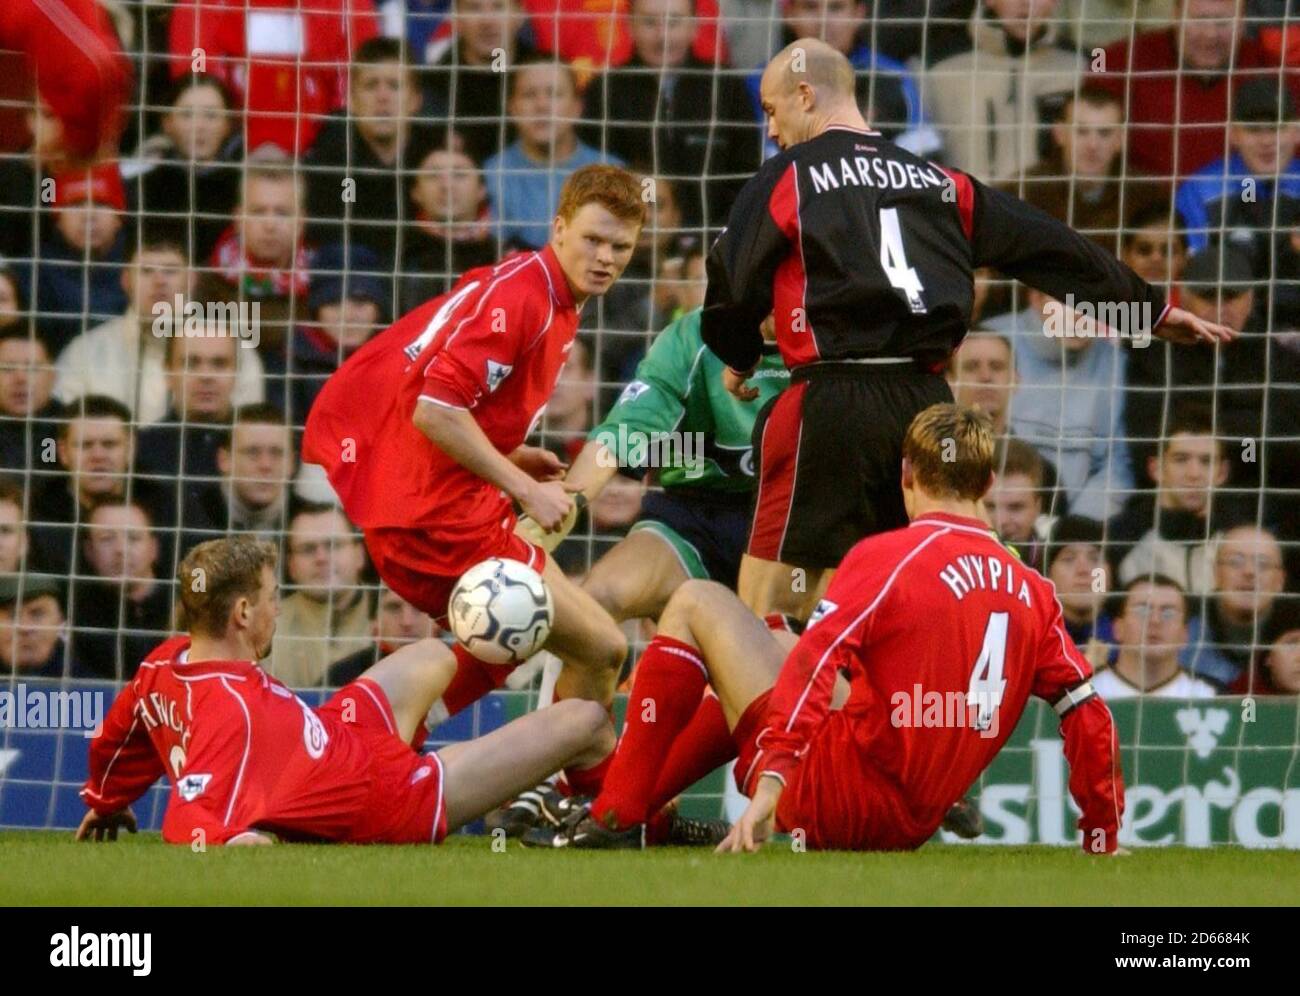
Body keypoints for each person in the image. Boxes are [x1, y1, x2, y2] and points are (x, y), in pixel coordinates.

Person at [703, 38, 1232, 622]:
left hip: (831, 403)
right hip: (929, 412)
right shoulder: (943, 183)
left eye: (773, 111)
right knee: (912, 604)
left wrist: (742, 351)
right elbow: (1049, 246)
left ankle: (774, 713)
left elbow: (729, 276)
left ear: (806, 94)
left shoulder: (789, 175)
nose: (771, 130)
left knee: (766, 610)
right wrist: (1149, 311)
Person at [534, 404, 1126, 854]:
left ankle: (617, 811)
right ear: (988, 484)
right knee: (775, 634)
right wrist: (1102, 834)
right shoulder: (1035, 591)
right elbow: (1089, 715)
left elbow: (817, 669)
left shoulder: (891, 556)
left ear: (906, 475)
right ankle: (641, 809)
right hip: (911, 822)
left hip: (832, 799)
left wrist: (769, 785)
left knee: (696, 602)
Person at [303, 165, 643, 798]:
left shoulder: (543, 291)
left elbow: (449, 396)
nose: (605, 258)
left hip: (429, 507)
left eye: (620, 247)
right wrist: (519, 481)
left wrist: (513, 450)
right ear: (560, 227)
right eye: (593, 240)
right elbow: (434, 407)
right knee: (598, 646)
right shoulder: (527, 297)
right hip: (437, 518)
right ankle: (581, 804)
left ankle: (368, 745)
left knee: (506, 636)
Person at [76, 536, 618, 847]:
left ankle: (518, 647)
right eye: (272, 596)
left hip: (341, 730)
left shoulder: (163, 662)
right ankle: (619, 822)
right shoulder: (231, 711)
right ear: (243, 614)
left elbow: (116, 738)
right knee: (588, 720)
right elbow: (191, 817)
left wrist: (106, 801)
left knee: (432, 656)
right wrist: (233, 841)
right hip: (389, 795)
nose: (279, 607)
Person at [55, 228, 265, 425]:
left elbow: (250, 434)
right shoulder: (83, 354)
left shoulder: (236, 350)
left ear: (191, 280)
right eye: (146, 271)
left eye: (171, 271)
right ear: (126, 280)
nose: (159, 281)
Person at [483, 60, 621, 250]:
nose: (542, 105)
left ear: (577, 107)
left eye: (554, 94)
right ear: (512, 108)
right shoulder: (489, 174)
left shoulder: (613, 173)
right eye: (529, 95)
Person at [267, 505, 373, 688]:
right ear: (290, 565)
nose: (321, 557)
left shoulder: (393, 612)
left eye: (333, 545)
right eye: (308, 549)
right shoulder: (267, 624)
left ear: (359, 554)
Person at [1092, 576, 1217, 699]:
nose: (1155, 620)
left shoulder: (1212, 695)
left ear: (1185, 634)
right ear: (1118, 628)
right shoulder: (1085, 692)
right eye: (1142, 610)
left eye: (1169, 613)